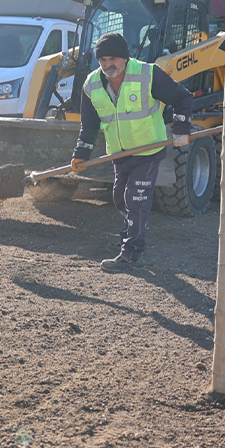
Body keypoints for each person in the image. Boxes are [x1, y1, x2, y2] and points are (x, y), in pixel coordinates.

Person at [72, 32, 194, 272]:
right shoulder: (92, 84)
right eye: (103, 59)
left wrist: (181, 130)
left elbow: (183, 97)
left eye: (113, 59)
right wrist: (81, 154)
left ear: (125, 58)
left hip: (148, 150)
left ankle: (133, 254)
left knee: (135, 200)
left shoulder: (148, 74)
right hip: (119, 153)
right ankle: (128, 239)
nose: (108, 65)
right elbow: (89, 125)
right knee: (119, 198)